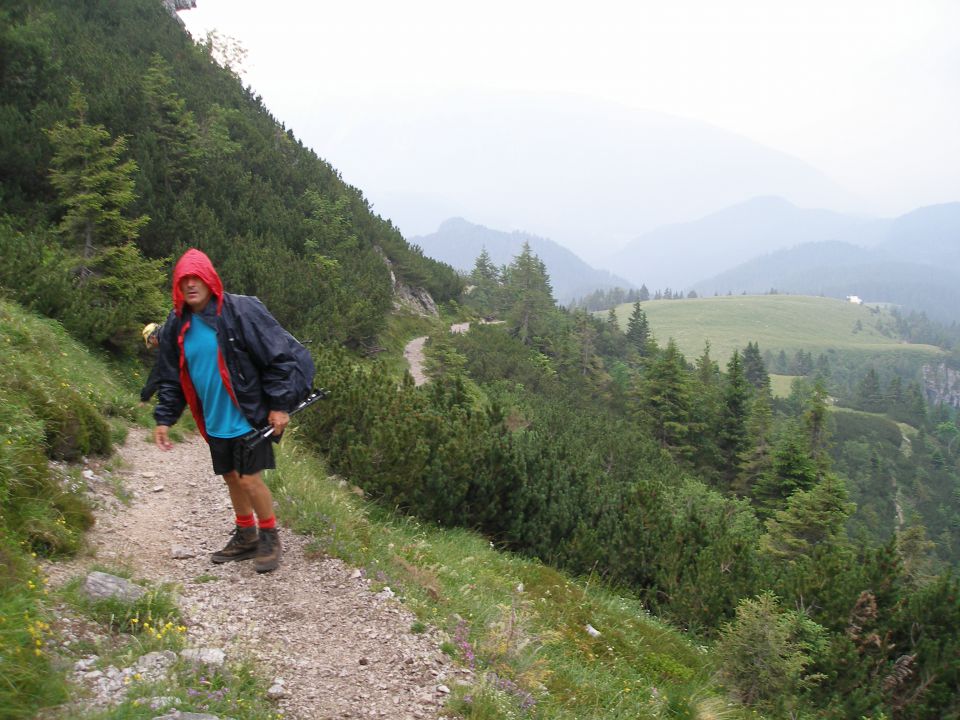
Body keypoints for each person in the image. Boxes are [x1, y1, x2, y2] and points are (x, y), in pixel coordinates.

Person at [151, 248, 313, 573]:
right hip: (215, 417)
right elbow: (172, 376)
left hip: (249, 413)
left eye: (198, 277)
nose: (192, 284)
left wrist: (280, 406)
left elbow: (278, 357)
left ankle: (269, 535)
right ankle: (246, 535)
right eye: (185, 279)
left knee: (250, 479)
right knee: (231, 478)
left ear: (210, 279)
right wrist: (165, 418)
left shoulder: (239, 311)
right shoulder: (177, 324)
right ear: (177, 286)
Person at [140, 322, 165, 402]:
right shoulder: (170, 329)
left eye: (150, 343)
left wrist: (144, 398)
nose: (154, 346)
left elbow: (156, 374)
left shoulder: (166, 344)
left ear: (152, 337)